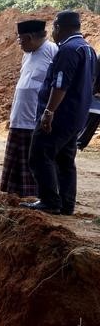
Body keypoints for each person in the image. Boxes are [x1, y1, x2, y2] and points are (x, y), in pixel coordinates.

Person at [22, 11, 98, 215]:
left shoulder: (68, 50)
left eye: (53, 29)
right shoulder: (88, 49)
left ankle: (49, 201)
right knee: (65, 160)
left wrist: (49, 112)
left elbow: (60, 84)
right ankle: (66, 204)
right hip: (77, 116)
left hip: (61, 115)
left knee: (39, 154)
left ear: (58, 27)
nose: (52, 34)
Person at [0, 20, 58, 198]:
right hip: (20, 114)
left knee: (33, 159)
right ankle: (17, 192)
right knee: (18, 157)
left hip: (36, 116)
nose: (19, 44)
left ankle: (37, 196)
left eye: (21, 40)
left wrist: (48, 113)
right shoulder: (27, 54)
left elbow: (58, 86)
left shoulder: (52, 51)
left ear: (30, 37)